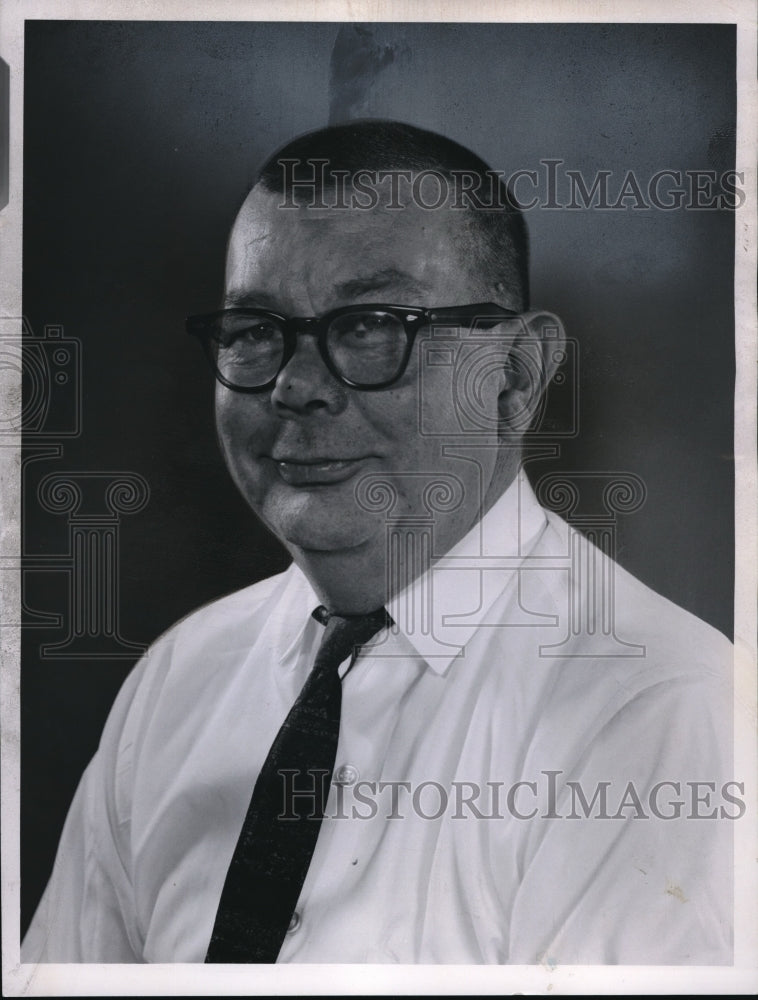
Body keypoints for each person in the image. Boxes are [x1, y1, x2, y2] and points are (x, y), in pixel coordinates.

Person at [22, 120, 735, 965]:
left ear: (514, 375)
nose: (295, 387)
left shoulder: (660, 707)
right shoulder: (179, 678)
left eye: (370, 325)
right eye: (254, 330)